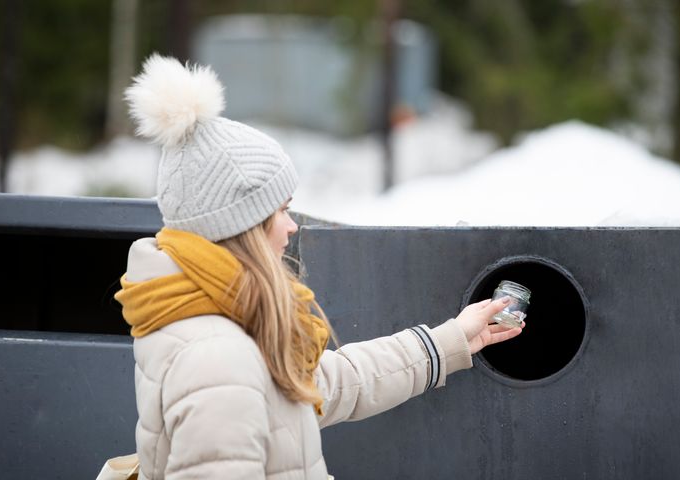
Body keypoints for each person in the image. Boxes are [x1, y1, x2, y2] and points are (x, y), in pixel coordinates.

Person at [114, 54, 524, 480]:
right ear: (242, 226)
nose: (292, 227)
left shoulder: (221, 322)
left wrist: (451, 340)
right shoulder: (220, 360)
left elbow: (336, 380)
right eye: (281, 211)